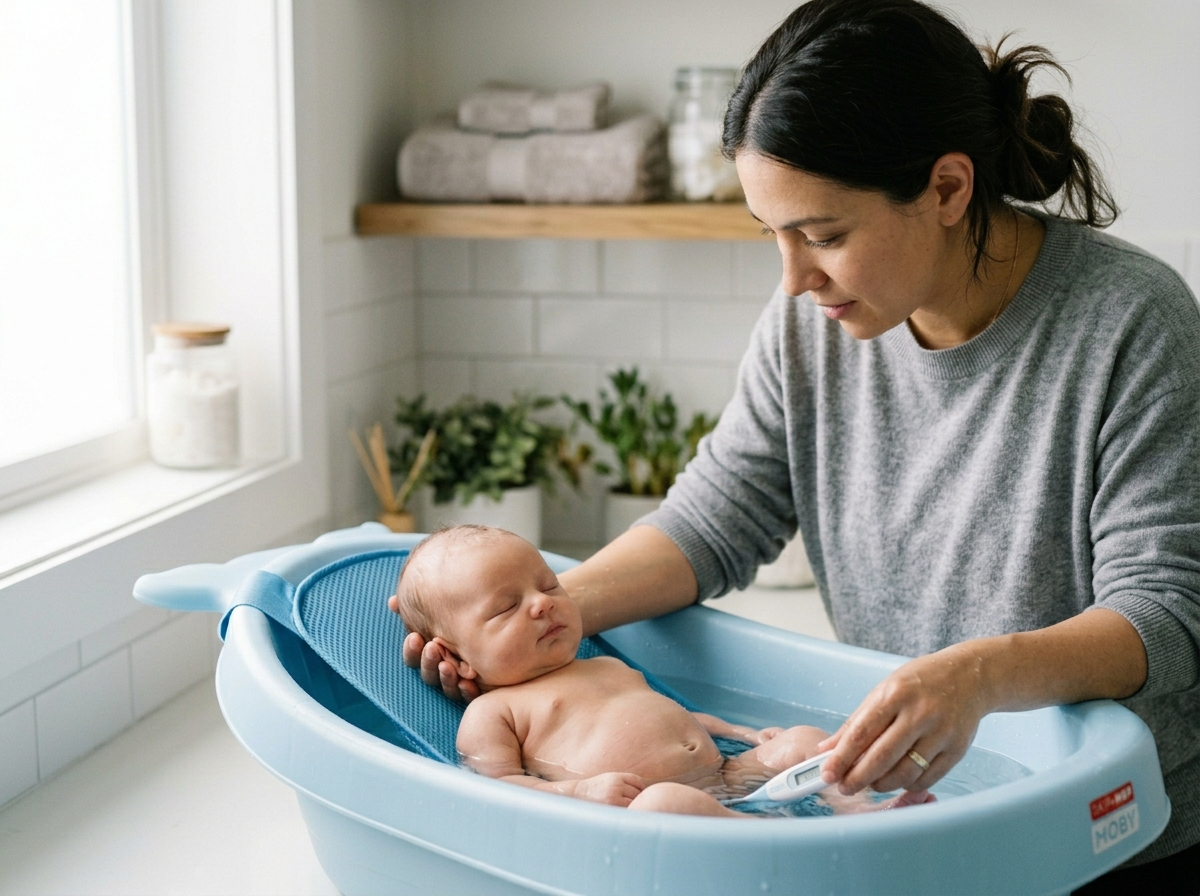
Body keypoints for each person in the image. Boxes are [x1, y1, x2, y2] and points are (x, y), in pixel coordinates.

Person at [400, 0, 1200, 890]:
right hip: (900, 816)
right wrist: (533, 621)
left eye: (822, 235)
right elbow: (715, 519)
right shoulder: (815, 326)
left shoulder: (1131, 323)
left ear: (947, 188)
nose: (792, 278)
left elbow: (1168, 617)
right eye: (773, 234)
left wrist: (973, 675)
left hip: (1107, 829)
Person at [390, 524, 934, 817]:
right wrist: (578, 795)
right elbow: (498, 788)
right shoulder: (492, 712)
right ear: (457, 658)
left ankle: (856, 811)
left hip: (728, 774)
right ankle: (765, 839)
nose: (542, 603)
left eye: (550, 584)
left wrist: (746, 735)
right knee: (663, 804)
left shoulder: (601, 663)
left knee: (805, 743)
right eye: (508, 607)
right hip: (657, 801)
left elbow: (677, 713)